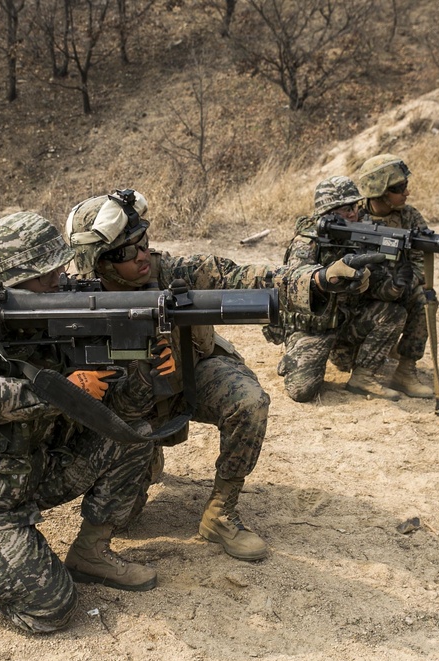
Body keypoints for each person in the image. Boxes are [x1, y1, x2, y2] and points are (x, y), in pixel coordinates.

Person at [63, 189, 368, 562]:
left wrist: (317, 280)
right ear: (99, 261)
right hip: (130, 409)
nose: (142, 255)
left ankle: (220, 513)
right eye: (128, 251)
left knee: (249, 401)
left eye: (143, 241)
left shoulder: (169, 271)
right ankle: (145, 456)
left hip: (191, 371)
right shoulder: (71, 302)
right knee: (125, 522)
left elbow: (239, 276)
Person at [0, 210, 170, 634]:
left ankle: (91, 552)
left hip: (35, 471)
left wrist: (145, 363)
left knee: (133, 437)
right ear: (10, 280)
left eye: (58, 270)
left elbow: (120, 405)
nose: (59, 284)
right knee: (52, 607)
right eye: (44, 278)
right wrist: (65, 390)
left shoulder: (62, 318)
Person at [263, 175, 421, 402]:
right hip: (313, 326)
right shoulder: (307, 242)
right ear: (326, 214)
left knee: (393, 313)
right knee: (302, 392)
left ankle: (363, 376)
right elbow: (295, 289)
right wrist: (330, 279)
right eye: (345, 210)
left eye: (354, 207)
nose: (353, 214)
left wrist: (395, 286)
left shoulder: (361, 235)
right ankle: (296, 353)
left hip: (346, 320)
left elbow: (376, 289)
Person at [352, 154, 433, 399]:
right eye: (399, 188)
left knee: (423, 300)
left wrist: (408, 281)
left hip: (398, 288)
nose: (407, 193)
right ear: (381, 192)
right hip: (362, 297)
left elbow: (421, 260)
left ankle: (405, 371)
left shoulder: (409, 217)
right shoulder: (354, 218)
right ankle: (362, 368)